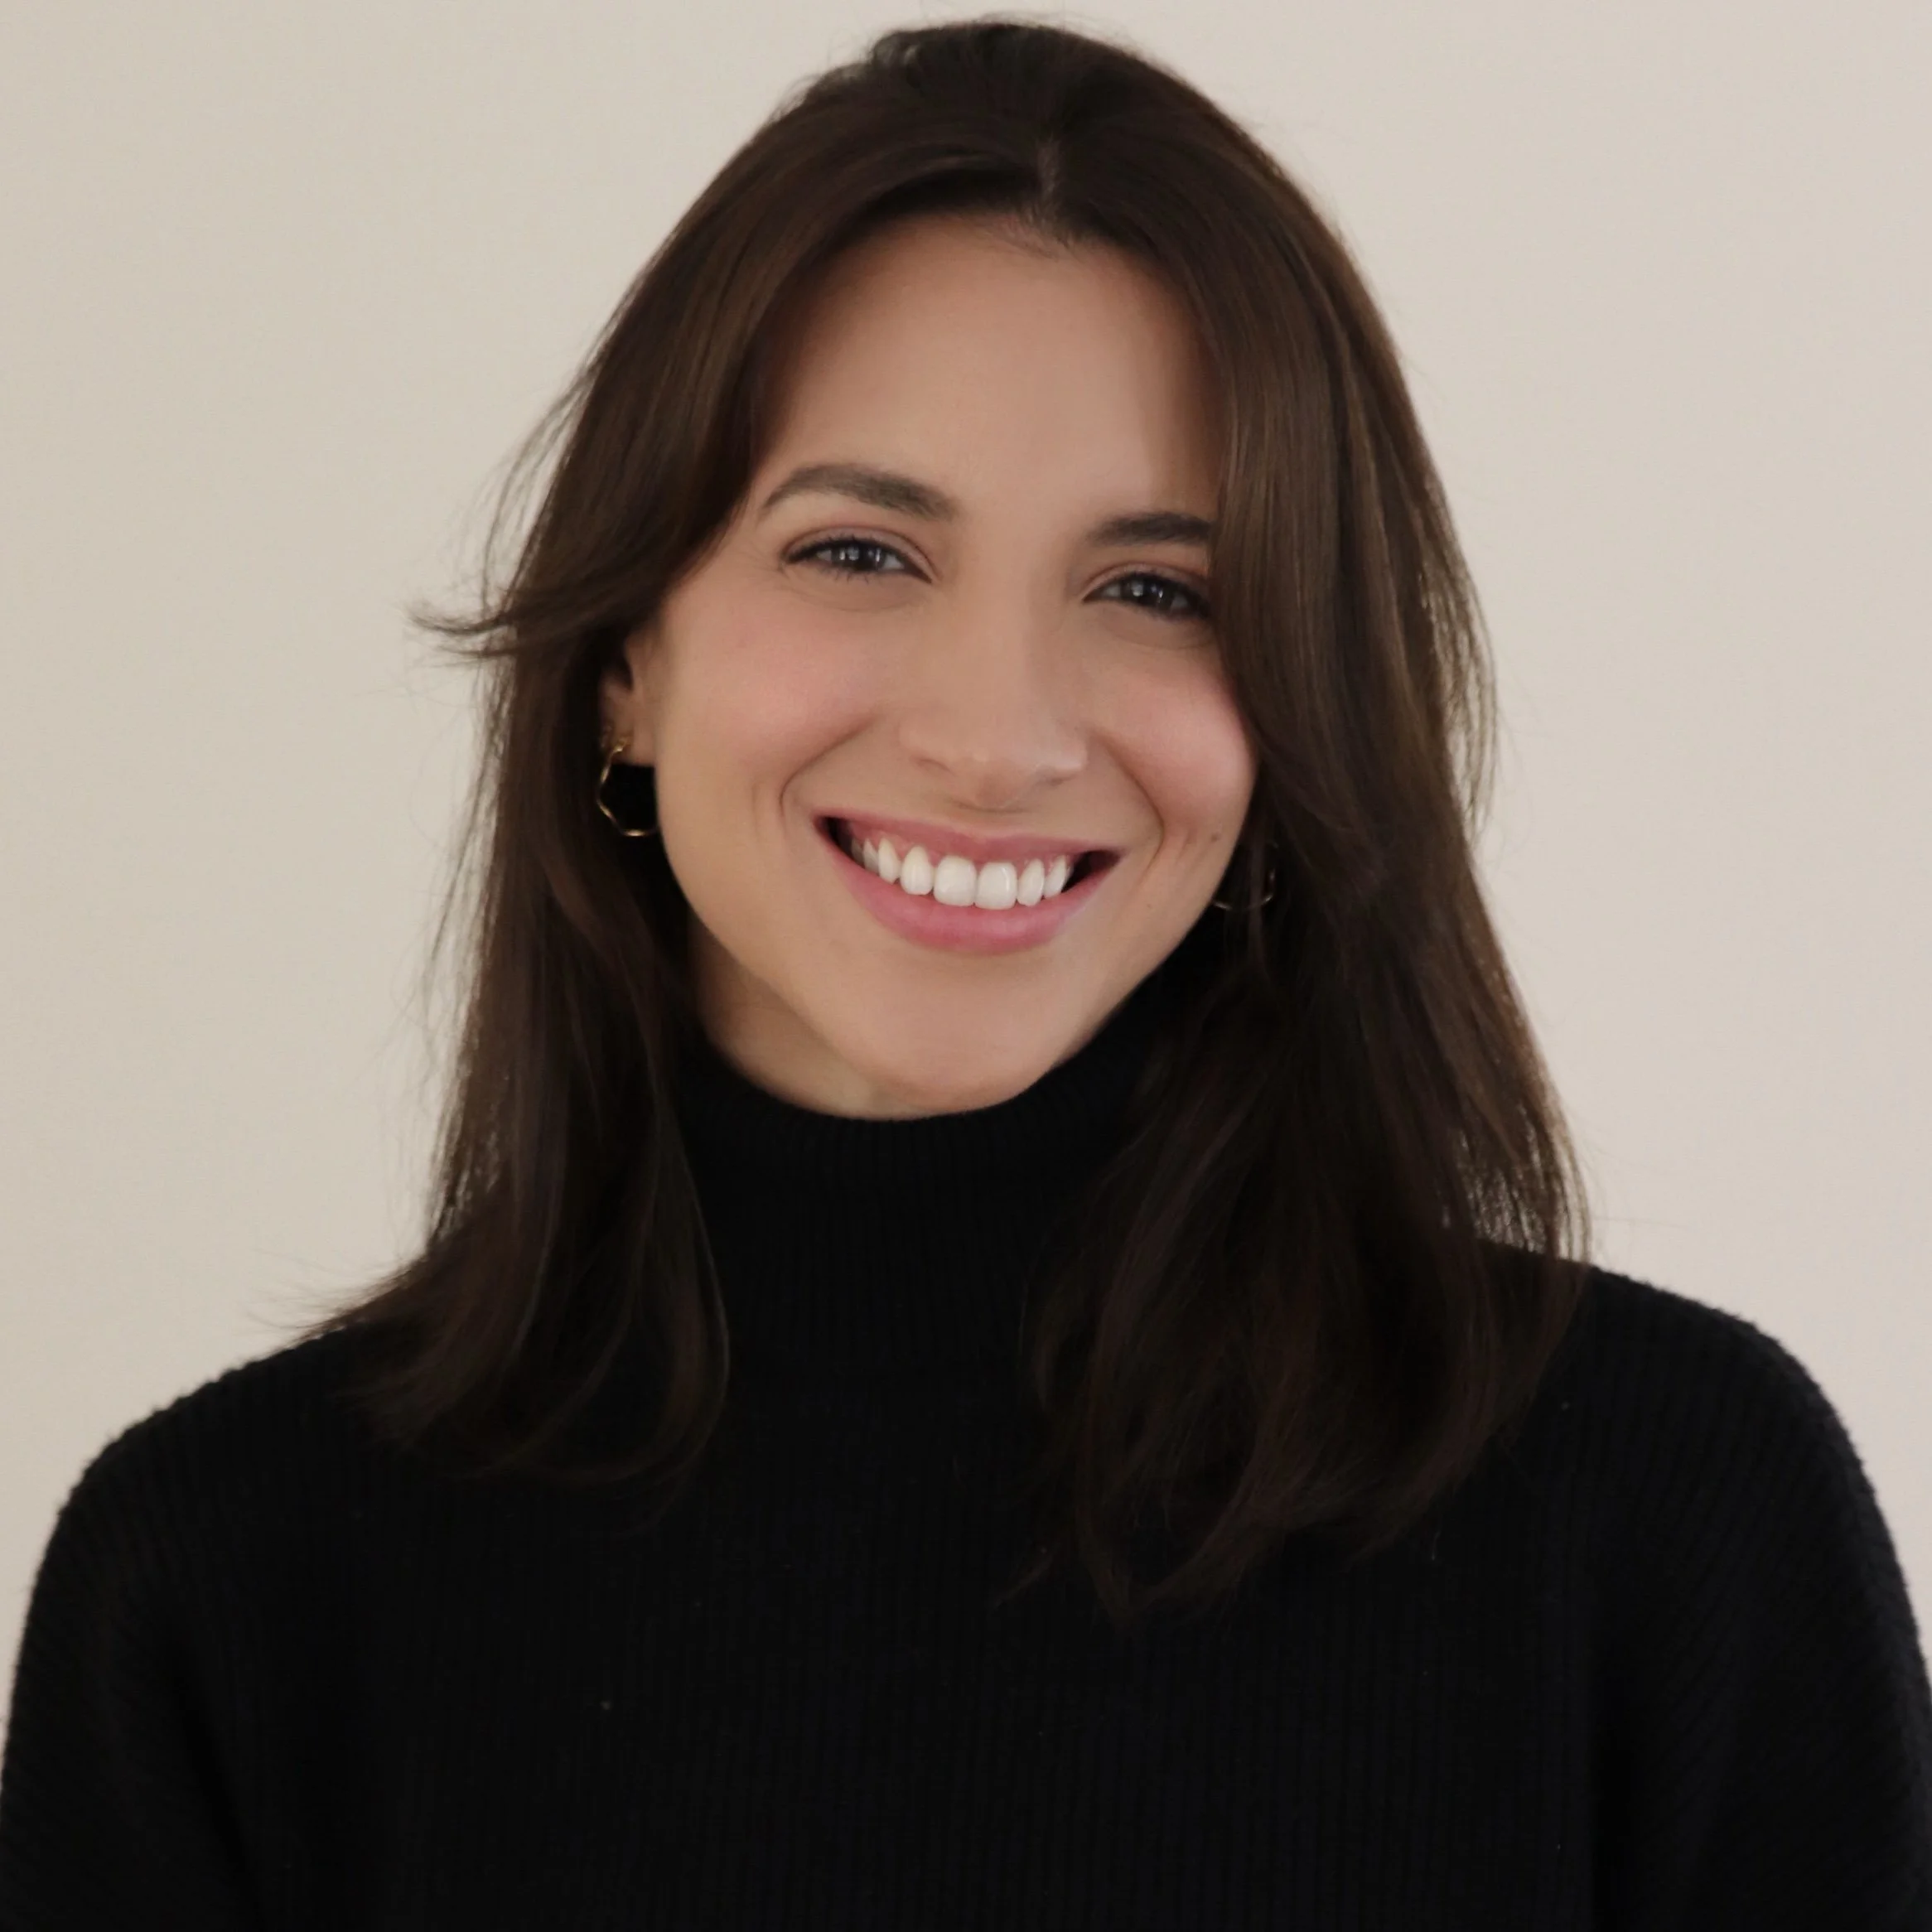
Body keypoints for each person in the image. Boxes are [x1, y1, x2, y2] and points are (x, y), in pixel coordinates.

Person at [2, 18, 1928, 1929]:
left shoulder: (1669, 1532)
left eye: (1157, 591)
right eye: (856, 551)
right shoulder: (230, 1595)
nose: (997, 735)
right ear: (624, 660)